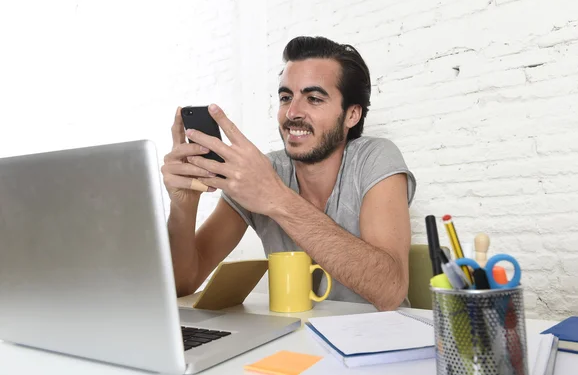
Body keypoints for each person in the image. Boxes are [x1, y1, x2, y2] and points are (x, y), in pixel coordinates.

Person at [161, 36, 416, 311]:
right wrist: (182, 208)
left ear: (352, 115)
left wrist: (276, 198)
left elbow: (390, 291)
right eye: (285, 97)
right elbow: (182, 285)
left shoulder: (374, 158)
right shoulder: (264, 171)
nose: (292, 112)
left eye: (314, 99)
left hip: (375, 341)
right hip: (295, 338)